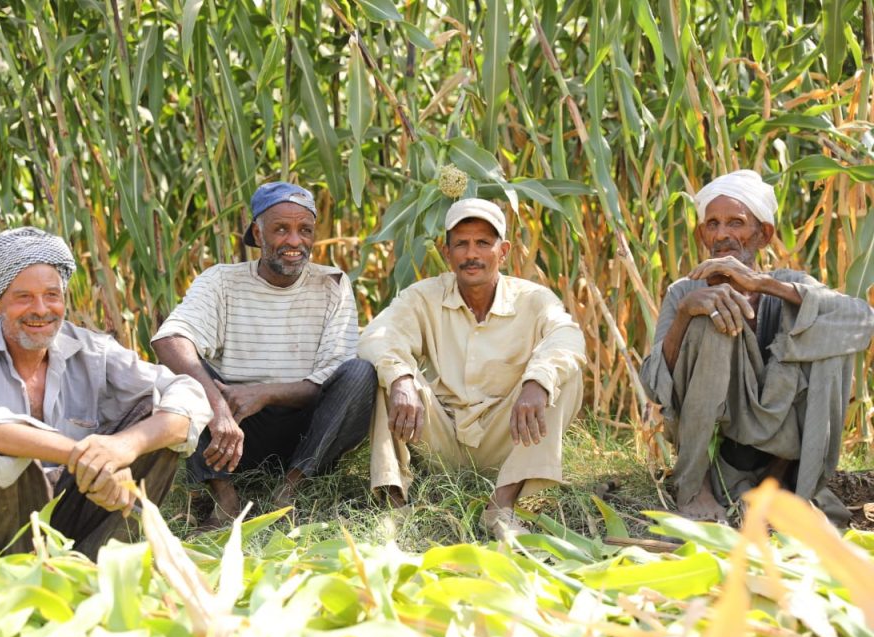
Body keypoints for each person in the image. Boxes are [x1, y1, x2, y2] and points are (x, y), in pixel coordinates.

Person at [0, 227, 212, 561]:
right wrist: (86, 457)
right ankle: (12, 577)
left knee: (156, 416)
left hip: (65, 519)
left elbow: (188, 394)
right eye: (23, 297)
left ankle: (98, 567)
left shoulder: (92, 350)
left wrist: (122, 447)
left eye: (52, 295)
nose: (41, 309)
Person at [640, 170, 874, 525]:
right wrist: (688, 313)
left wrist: (761, 284)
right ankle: (696, 485)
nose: (723, 235)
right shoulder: (684, 293)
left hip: (782, 446)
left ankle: (778, 483)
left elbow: (861, 321)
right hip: (719, 449)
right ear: (702, 234)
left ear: (763, 234)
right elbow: (656, 385)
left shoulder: (788, 285)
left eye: (736, 223)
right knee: (711, 318)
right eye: (713, 224)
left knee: (821, 323)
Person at [151, 182, 376, 529]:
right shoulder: (221, 282)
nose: (294, 241)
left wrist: (265, 393)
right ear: (257, 232)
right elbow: (169, 340)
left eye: (304, 230)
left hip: (308, 432)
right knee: (181, 376)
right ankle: (224, 495)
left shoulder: (332, 284)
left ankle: (290, 490)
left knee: (360, 373)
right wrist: (220, 408)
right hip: (234, 429)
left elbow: (333, 376)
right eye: (281, 229)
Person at [359, 198, 586, 540]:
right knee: (382, 374)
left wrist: (537, 382)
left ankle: (502, 505)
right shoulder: (423, 297)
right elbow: (376, 335)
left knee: (564, 378)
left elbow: (568, 337)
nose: (471, 254)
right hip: (441, 435)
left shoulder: (533, 299)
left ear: (504, 251)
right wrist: (402, 379)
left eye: (483, 243)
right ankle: (394, 505)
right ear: (447, 252)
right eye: (461, 244)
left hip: (509, 435)